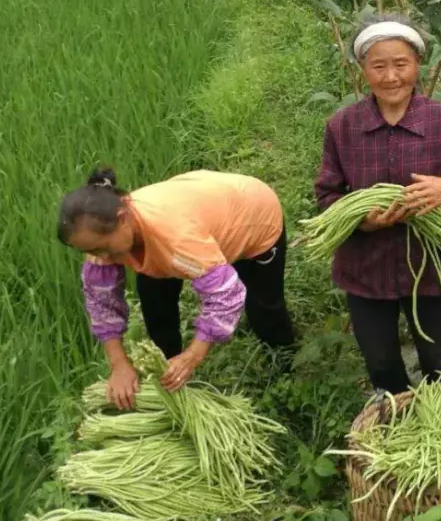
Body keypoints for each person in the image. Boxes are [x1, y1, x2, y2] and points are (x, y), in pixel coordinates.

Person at [314, 13, 441, 396]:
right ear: (362, 70)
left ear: (418, 64)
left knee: (439, 362)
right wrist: (364, 219)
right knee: (382, 364)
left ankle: (439, 419)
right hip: (366, 271)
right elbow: (327, 197)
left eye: (401, 64)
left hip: (430, 266)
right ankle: (398, 419)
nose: (391, 77)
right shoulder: (342, 127)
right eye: (379, 66)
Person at [58, 168, 296, 410]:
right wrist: (119, 364)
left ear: (121, 218)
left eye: (102, 248)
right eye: (91, 251)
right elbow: (102, 303)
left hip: (252, 212)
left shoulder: (175, 238)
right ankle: (170, 373)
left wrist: (194, 356)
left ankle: (287, 373)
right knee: (156, 306)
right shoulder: (104, 239)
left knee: (264, 311)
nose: (101, 257)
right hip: (201, 205)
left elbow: (225, 294)